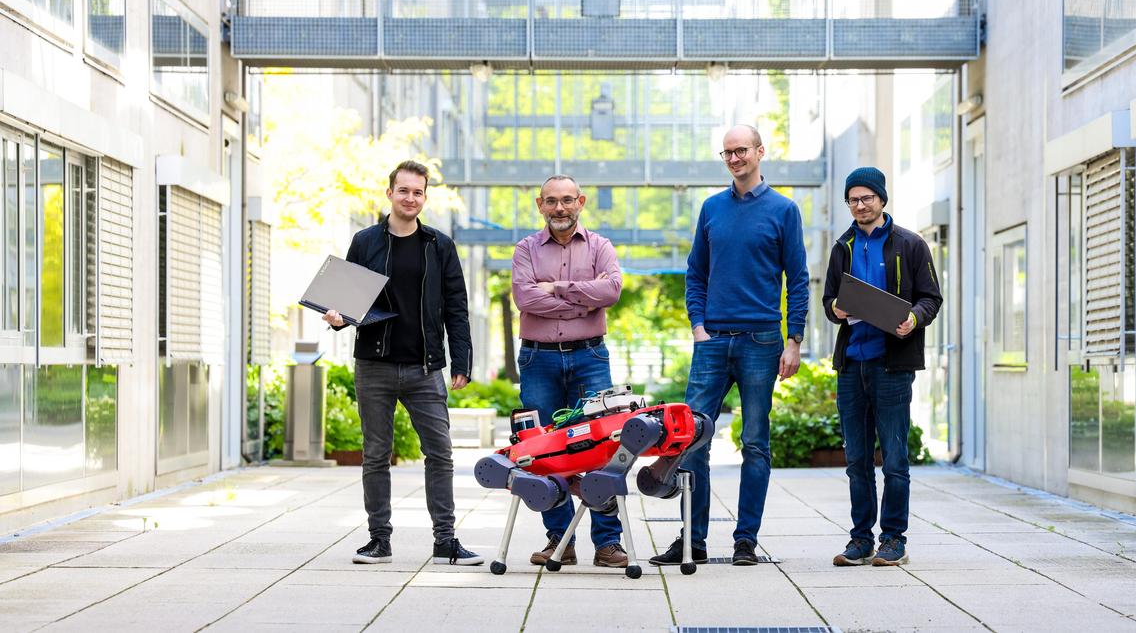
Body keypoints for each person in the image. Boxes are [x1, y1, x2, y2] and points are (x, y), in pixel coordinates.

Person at [650, 125, 810, 568]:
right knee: (690, 440)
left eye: (742, 150)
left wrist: (794, 340)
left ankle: (745, 541)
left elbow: (797, 279)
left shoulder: (784, 210)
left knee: (755, 442)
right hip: (713, 340)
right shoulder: (712, 208)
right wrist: (698, 325)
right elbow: (695, 272)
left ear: (760, 152)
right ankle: (693, 541)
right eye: (728, 153)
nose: (735, 158)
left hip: (762, 340)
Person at [322, 160, 483, 566]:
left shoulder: (439, 245)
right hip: (374, 365)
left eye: (418, 192)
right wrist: (338, 316)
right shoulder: (365, 241)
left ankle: (445, 540)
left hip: (425, 367)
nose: (411, 198)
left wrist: (460, 358)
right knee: (376, 454)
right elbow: (347, 297)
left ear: (424, 197)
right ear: (390, 193)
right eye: (404, 190)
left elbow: (456, 307)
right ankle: (379, 540)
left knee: (441, 454)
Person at [823, 166, 942, 567]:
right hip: (852, 365)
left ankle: (893, 539)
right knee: (857, 460)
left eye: (866, 198)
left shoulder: (910, 244)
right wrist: (836, 309)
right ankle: (860, 540)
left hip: (892, 365)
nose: (860, 205)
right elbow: (828, 301)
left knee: (894, 459)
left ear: (881, 198)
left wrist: (914, 319)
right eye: (853, 200)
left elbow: (930, 297)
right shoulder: (843, 246)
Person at [510, 174, 628, 568]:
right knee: (542, 450)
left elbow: (611, 291)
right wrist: (583, 298)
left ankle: (608, 543)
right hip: (537, 359)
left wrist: (555, 288)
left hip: (589, 357)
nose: (559, 208)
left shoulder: (601, 246)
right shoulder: (525, 249)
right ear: (539, 204)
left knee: (602, 447)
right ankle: (560, 540)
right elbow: (524, 298)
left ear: (581, 201)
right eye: (551, 201)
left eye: (567, 200)